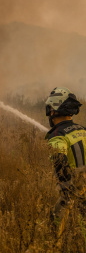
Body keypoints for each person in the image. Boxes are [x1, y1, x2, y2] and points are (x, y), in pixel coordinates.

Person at [45, 87, 86, 226]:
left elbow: (59, 160)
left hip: (75, 187)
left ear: (55, 110)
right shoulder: (82, 129)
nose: (50, 113)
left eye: (50, 109)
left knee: (55, 222)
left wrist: (66, 188)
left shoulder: (57, 135)